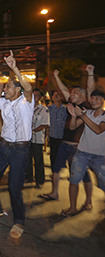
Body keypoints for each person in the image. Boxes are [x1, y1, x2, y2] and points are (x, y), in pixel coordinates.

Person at [0, 50, 33, 240]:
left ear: (17, 90)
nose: (6, 89)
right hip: (3, 147)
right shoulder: (5, 103)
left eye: (10, 86)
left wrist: (14, 67)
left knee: (13, 187)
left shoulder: (27, 101)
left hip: (20, 149)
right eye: (7, 86)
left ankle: (19, 221)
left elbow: (27, 86)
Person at [39, 67, 92, 204]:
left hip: (78, 147)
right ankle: (54, 192)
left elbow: (90, 90)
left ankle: (88, 200)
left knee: (84, 175)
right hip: (64, 143)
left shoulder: (85, 107)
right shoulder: (72, 104)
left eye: (75, 92)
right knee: (55, 169)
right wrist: (56, 77)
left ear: (82, 95)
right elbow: (63, 90)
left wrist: (90, 73)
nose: (71, 93)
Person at [63, 89, 105, 216]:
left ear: (103, 101)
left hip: (100, 156)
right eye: (92, 98)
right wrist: (74, 117)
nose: (94, 101)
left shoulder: (102, 116)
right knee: (73, 180)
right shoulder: (89, 113)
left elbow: (98, 130)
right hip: (82, 153)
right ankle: (72, 208)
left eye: (97, 98)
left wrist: (82, 116)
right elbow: (72, 127)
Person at [26, 89, 49, 188]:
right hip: (27, 138)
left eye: (37, 95)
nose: (35, 96)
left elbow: (45, 124)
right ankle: (29, 177)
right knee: (27, 159)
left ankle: (40, 180)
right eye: (33, 94)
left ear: (40, 97)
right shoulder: (27, 107)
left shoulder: (44, 109)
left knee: (38, 160)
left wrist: (33, 130)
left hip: (37, 138)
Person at [47, 90, 67, 171]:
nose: (55, 96)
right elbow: (47, 123)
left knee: (63, 154)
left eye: (57, 95)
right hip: (53, 135)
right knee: (54, 154)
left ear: (61, 97)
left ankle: (61, 169)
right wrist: (47, 136)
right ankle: (54, 171)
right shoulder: (48, 109)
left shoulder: (66, 109)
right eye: (54, 95)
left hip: (63, 136)